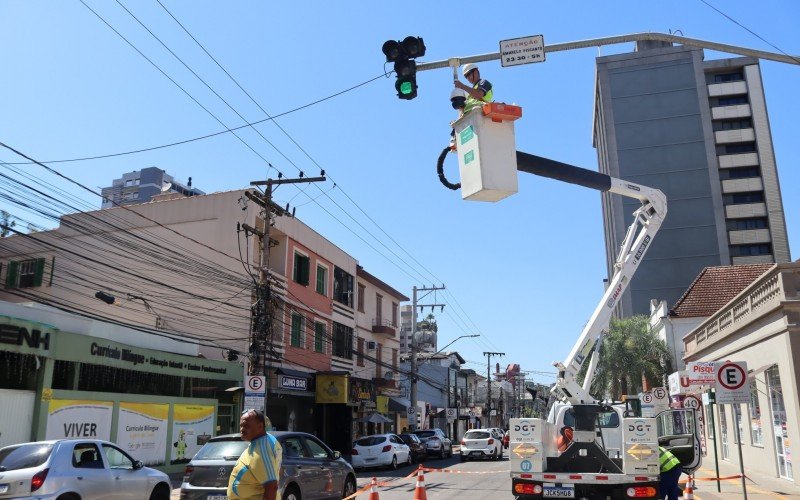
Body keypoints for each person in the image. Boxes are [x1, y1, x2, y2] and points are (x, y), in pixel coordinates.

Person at [227, 409, 283, 500]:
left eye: (247, 426)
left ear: (260, 426)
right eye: (241, 426)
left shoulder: (261, 450)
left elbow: (271, 487)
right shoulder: (262, 441)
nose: (242, 429)